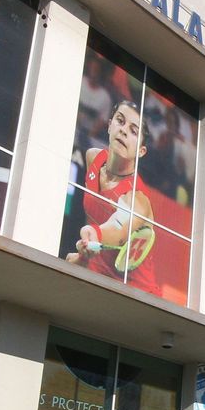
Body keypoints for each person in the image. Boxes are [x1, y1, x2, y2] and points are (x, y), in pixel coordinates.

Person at [67, 99, 161, 295]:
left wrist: (95, 234)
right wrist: (84, 256)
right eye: (120, 121)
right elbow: (93, 215)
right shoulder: (93, 157)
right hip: (97, 278)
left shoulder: (137, 198)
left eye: (134, 131)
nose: (124, 130)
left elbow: (118, 228)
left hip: (135, 294)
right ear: (109, 125)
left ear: (141, 151)